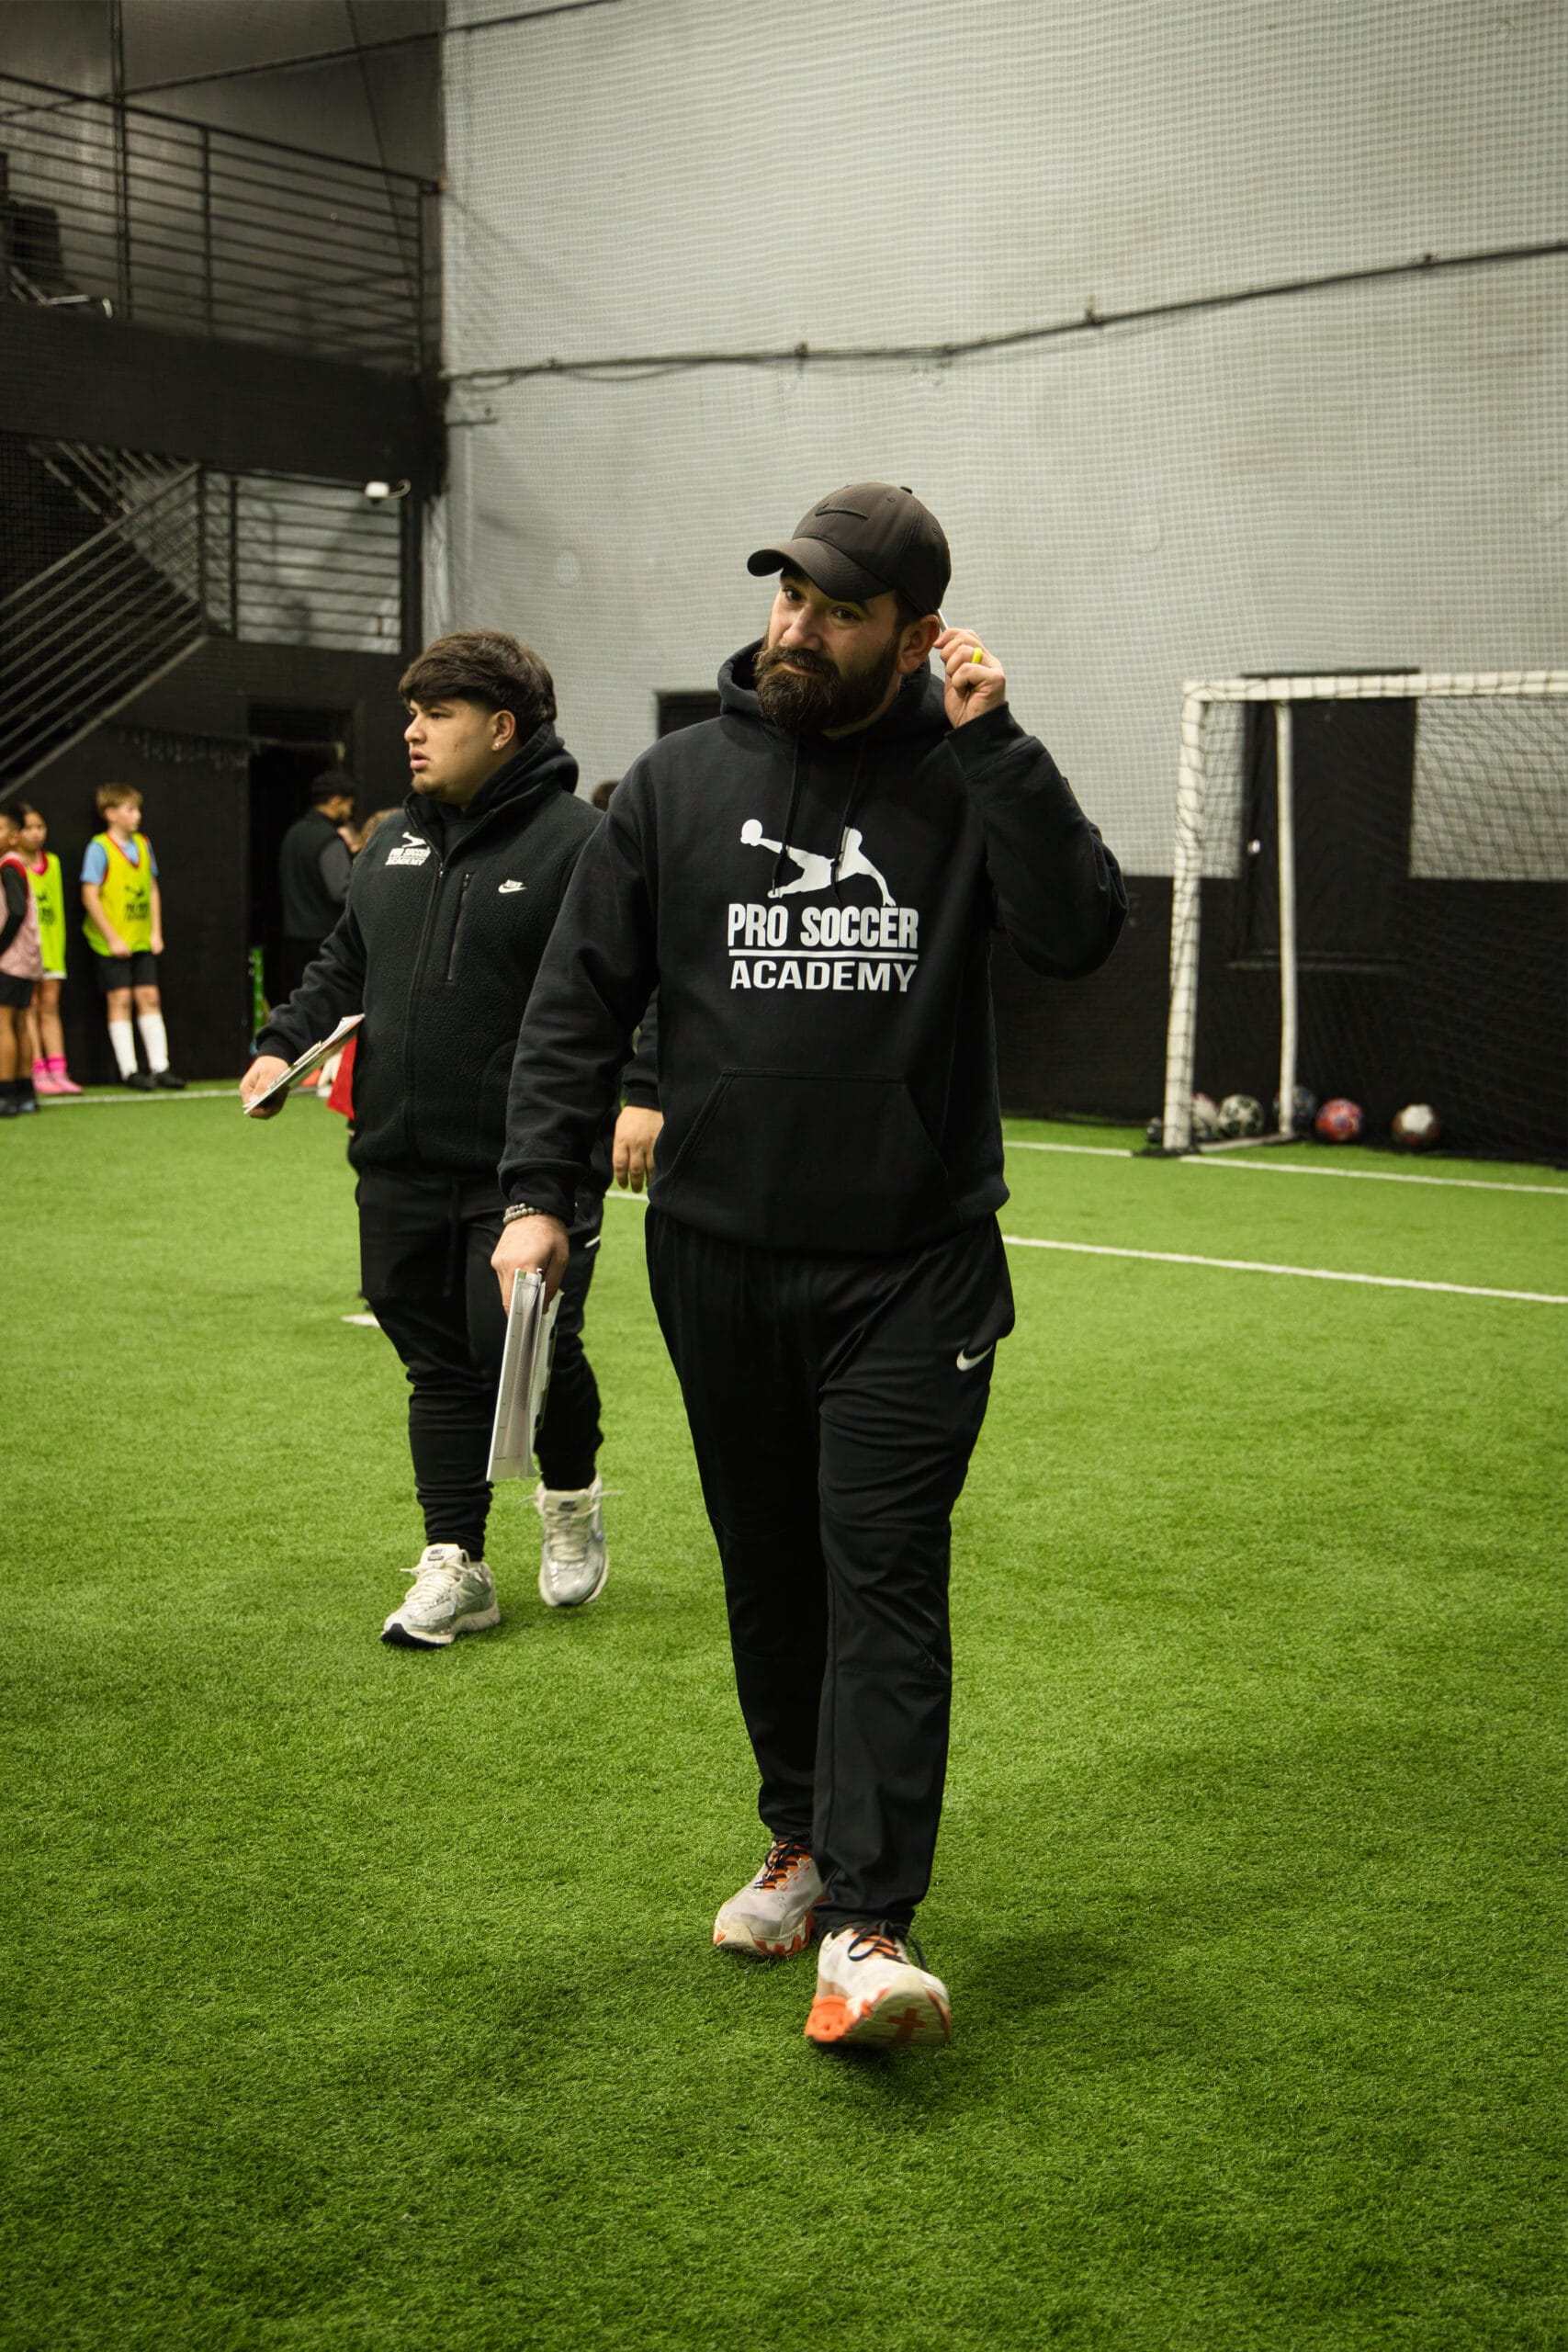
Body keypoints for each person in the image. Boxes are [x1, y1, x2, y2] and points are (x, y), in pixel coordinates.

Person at [492, 482, 1125, 2050]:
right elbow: (577, 1000)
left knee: (881, 1576)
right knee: (769, 1572)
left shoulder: (967, 774)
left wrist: (998, 745)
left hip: (912, 1269)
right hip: (717, 1258)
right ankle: (800, 1840)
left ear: (912, 637)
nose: (797, 627)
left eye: (839, 612)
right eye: (789, 596)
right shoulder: (676, 784)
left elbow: (1077, 931)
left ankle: (870, 1923)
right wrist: (537, 1194)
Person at [240, 630, 661, 1647]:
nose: (414, 733)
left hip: (531, 1165)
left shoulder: (582, 842)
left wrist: (643, 1093)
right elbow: (344, 963)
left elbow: (645, 980)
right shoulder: (390, 840)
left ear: (502, 727)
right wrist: (282, 1045)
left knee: (522, 1346)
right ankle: (457, 1561)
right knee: (435, 1359)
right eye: (411, 715)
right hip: (396, 1154)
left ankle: (569, 1495)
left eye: (438, 714)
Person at [80, 785, 185, 1091]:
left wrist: (155, 931)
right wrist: (112, 938)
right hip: (110, 943)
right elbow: (89, 895)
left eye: (137, 809)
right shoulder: (99, 848)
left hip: (140, 939)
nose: (136, 815)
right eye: (129, 809)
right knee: (120, 1000)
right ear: (110, 813)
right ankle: (129, 1070)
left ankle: (160, 1066)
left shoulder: (142, 844)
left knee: (149, 997)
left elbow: (151, 888)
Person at [14, 802, 81, 1096]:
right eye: (28, 828)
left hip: (52, 948)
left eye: (40, 827)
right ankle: (36, 1068)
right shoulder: (11, 865)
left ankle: (58, 1070)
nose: (36, 833)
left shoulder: (52, 862)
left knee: (50, 1006)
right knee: (28, 1008)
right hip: (24, 951)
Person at [276, 770, 357, 999]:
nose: (349, 812)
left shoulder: (293, 833)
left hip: (292, 939)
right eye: (349, 805)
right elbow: (341, 891)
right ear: (336, 801)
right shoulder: (328, 839)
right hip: (323, 941)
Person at [0, 799, 44, 1116]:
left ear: (14, 836)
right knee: (18, 1021)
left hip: (11, 959)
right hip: (25, 959)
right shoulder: (16, 864)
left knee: (3, 1023)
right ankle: (24, 1092)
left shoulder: (9, 866)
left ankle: (5, 1093)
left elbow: (16, 911)